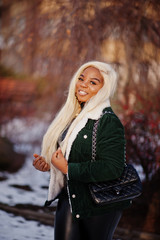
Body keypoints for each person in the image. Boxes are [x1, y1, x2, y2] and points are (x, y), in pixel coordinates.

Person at [33, 61, 131, 240]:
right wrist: (50, 165)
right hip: (69, 198)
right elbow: (69, 155)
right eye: (81, 78)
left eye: (93, 82)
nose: (83, 84)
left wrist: (68, 169)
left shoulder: (108, 121)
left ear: (104, 89)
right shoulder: (72, 116)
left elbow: (113, 168)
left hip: (99, 205)